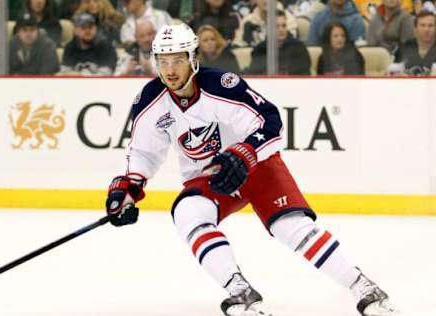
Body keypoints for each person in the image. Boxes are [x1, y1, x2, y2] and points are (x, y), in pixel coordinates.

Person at [104, 22, 398, 316]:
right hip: (213, 177)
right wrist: (127, 190)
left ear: (193, 58)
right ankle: (240, 292)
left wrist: (244, 153)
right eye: (163, 61)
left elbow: (270, 122)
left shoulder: (221, 85)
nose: (170, 70)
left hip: (255, 166)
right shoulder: (150, 101)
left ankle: (365, 288)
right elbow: (142, 153)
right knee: (187, 212)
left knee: (289, 227)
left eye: (178, 60)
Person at [246, 10, 310, 75]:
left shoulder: (298, 47)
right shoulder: (259, 49)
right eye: (277, 26)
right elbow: (255, 76)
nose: (281, 29)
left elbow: (304, 76)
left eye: (284, 25)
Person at [233, 0, 298, 47]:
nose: (265, 1)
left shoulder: (288, 19)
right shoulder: (247, 21)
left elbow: (289, 47)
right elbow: (238, 46)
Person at [395, 10, 436, 75]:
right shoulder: (404, 48)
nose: (426, 29)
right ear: (415, 28)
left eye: (430, 25)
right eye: (422, 25)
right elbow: (393, 73)